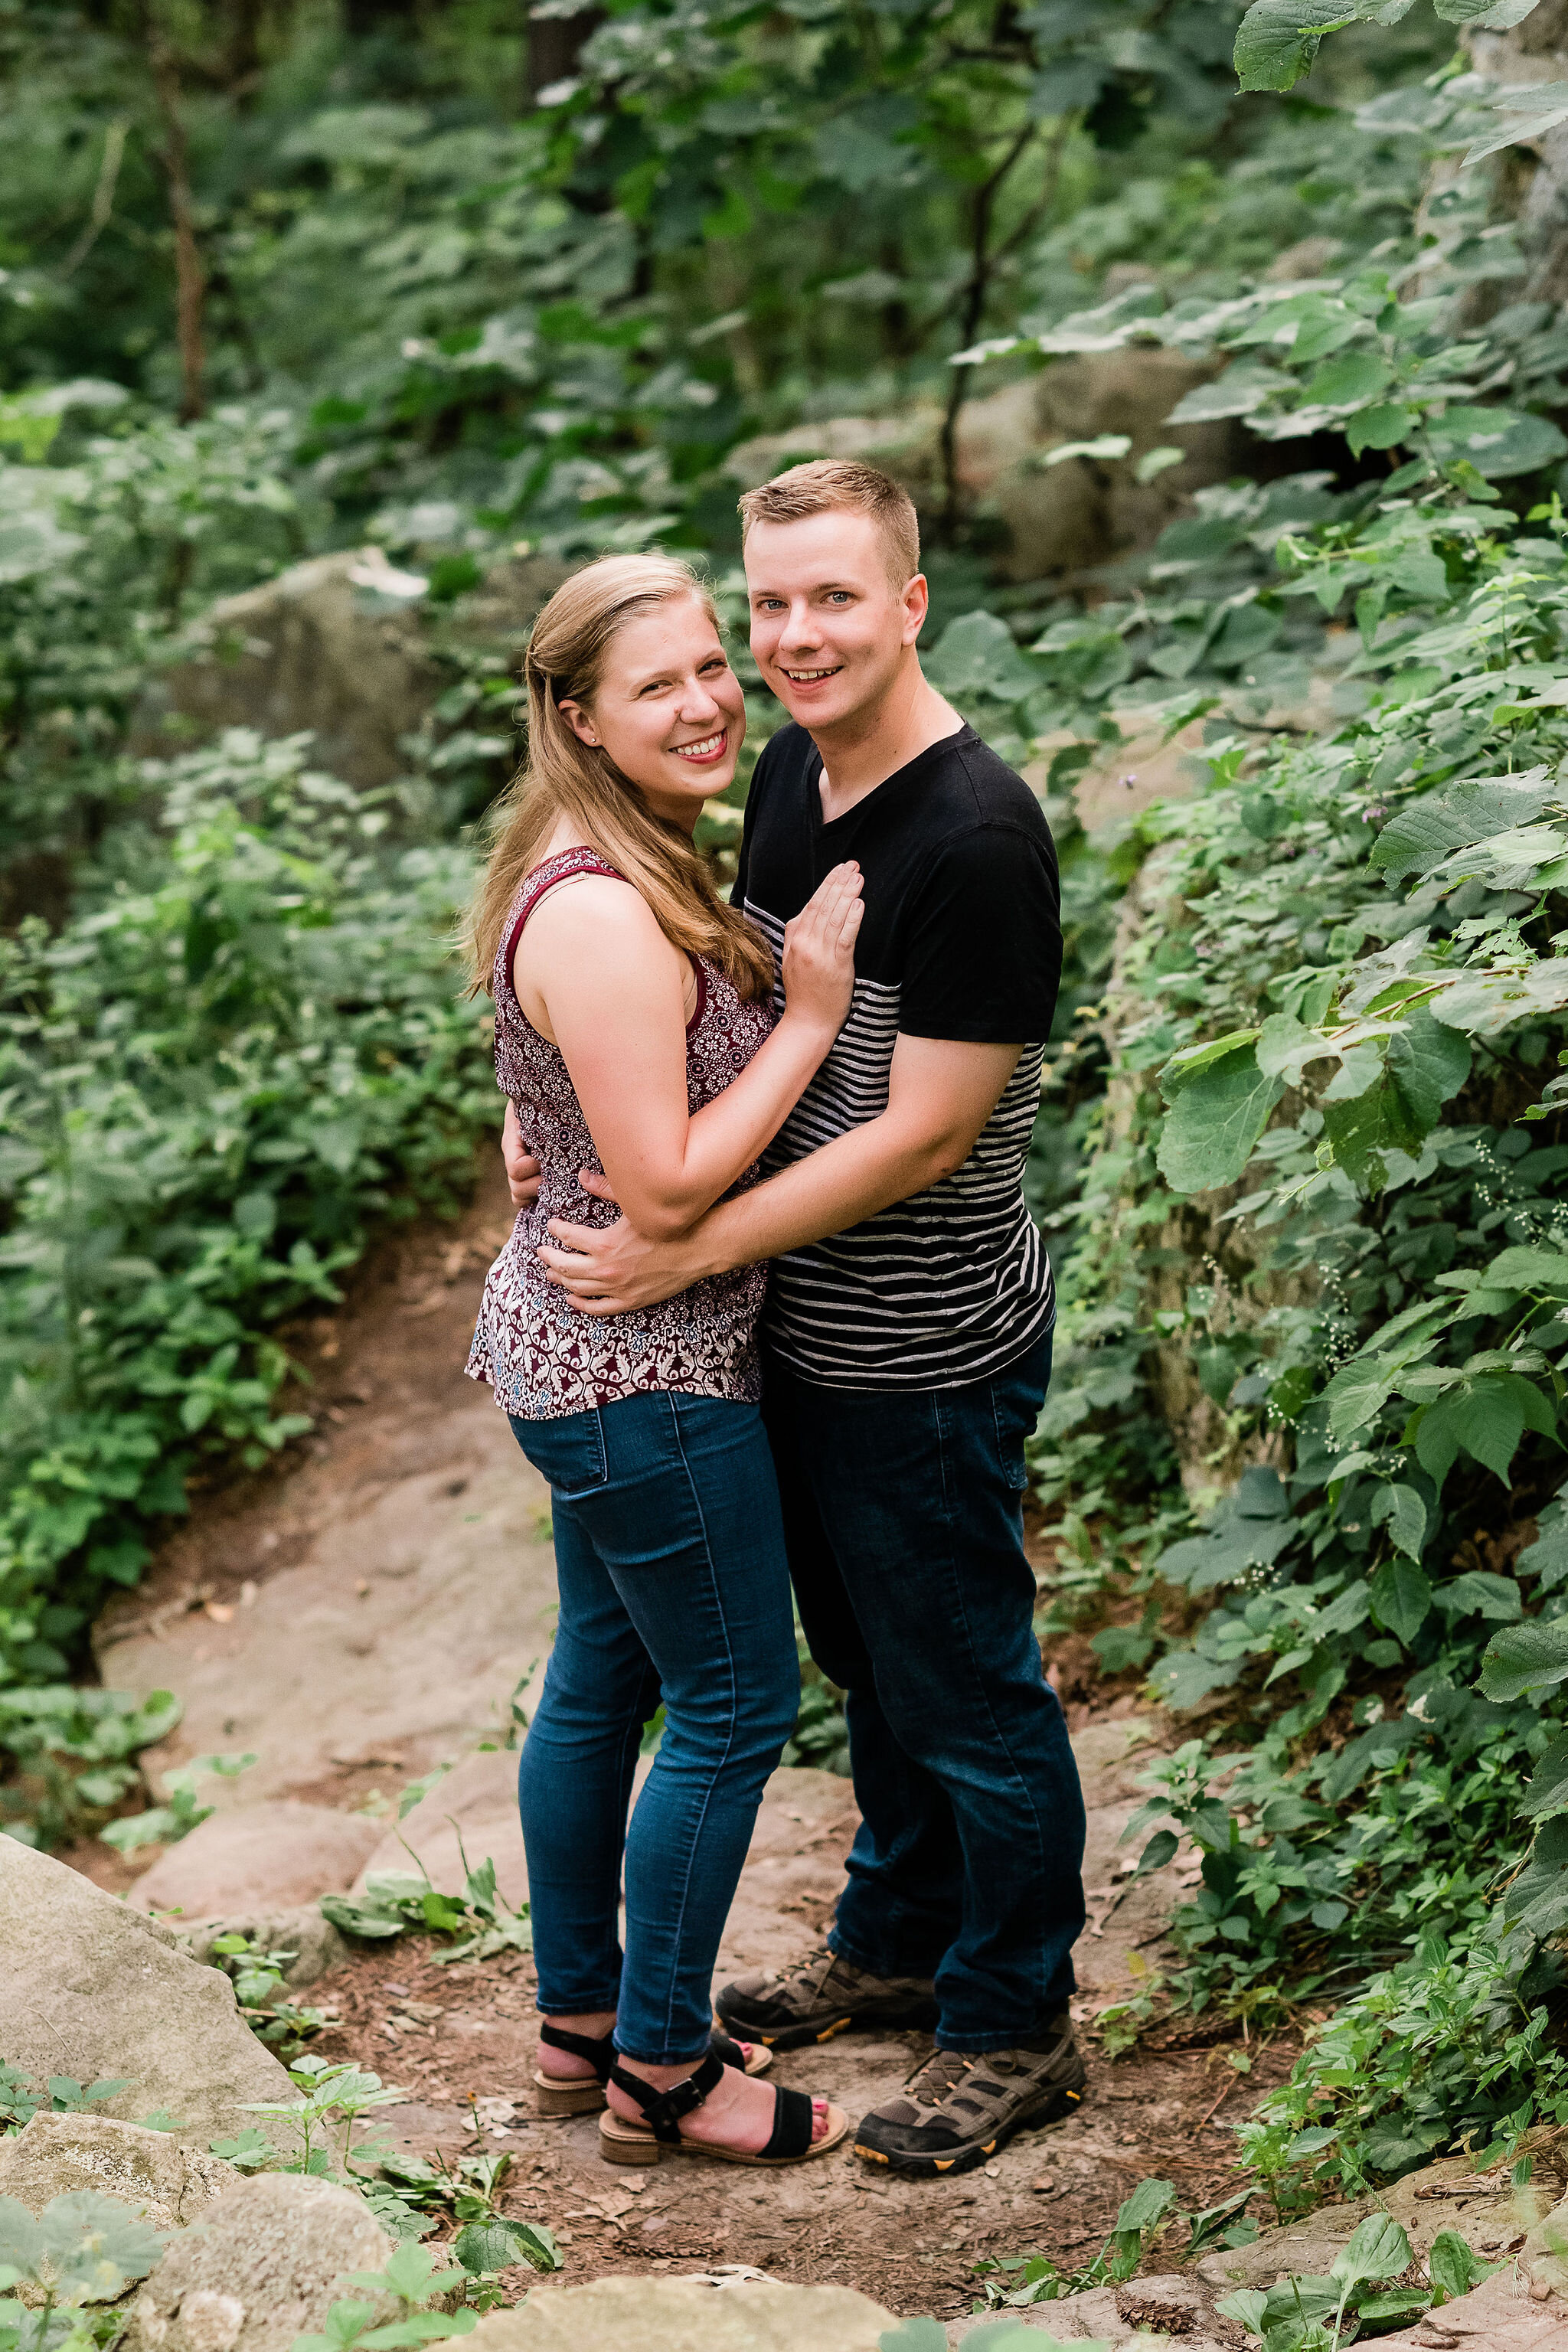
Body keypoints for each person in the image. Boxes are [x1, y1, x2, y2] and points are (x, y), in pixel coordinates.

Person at [523, 460, 1089, 2180]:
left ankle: (1011, 2019)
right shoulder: (784, 770)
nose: (792, 638)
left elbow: (926, 1130)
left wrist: (685, 1251)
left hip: (918, 1351)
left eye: (833, 597)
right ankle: (899, 1931)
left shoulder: (974, 835)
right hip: (790, 1342)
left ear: (911, 602)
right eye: (769, 604)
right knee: (865, 1669)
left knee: (968, 1688)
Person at [464, 550, 865, 2169]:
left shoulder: (593, 857)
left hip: (578, 1356)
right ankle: (662, 2074)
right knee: (730, 1699)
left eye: (714, 664)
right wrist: (813, 1024)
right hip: (644, 1373)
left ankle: (580, 2023)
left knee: (602, 1680)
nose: (707, 701)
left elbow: (561, 1090)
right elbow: (673, 1183)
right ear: (576, 714)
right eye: (659, 685)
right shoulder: (611, 911)